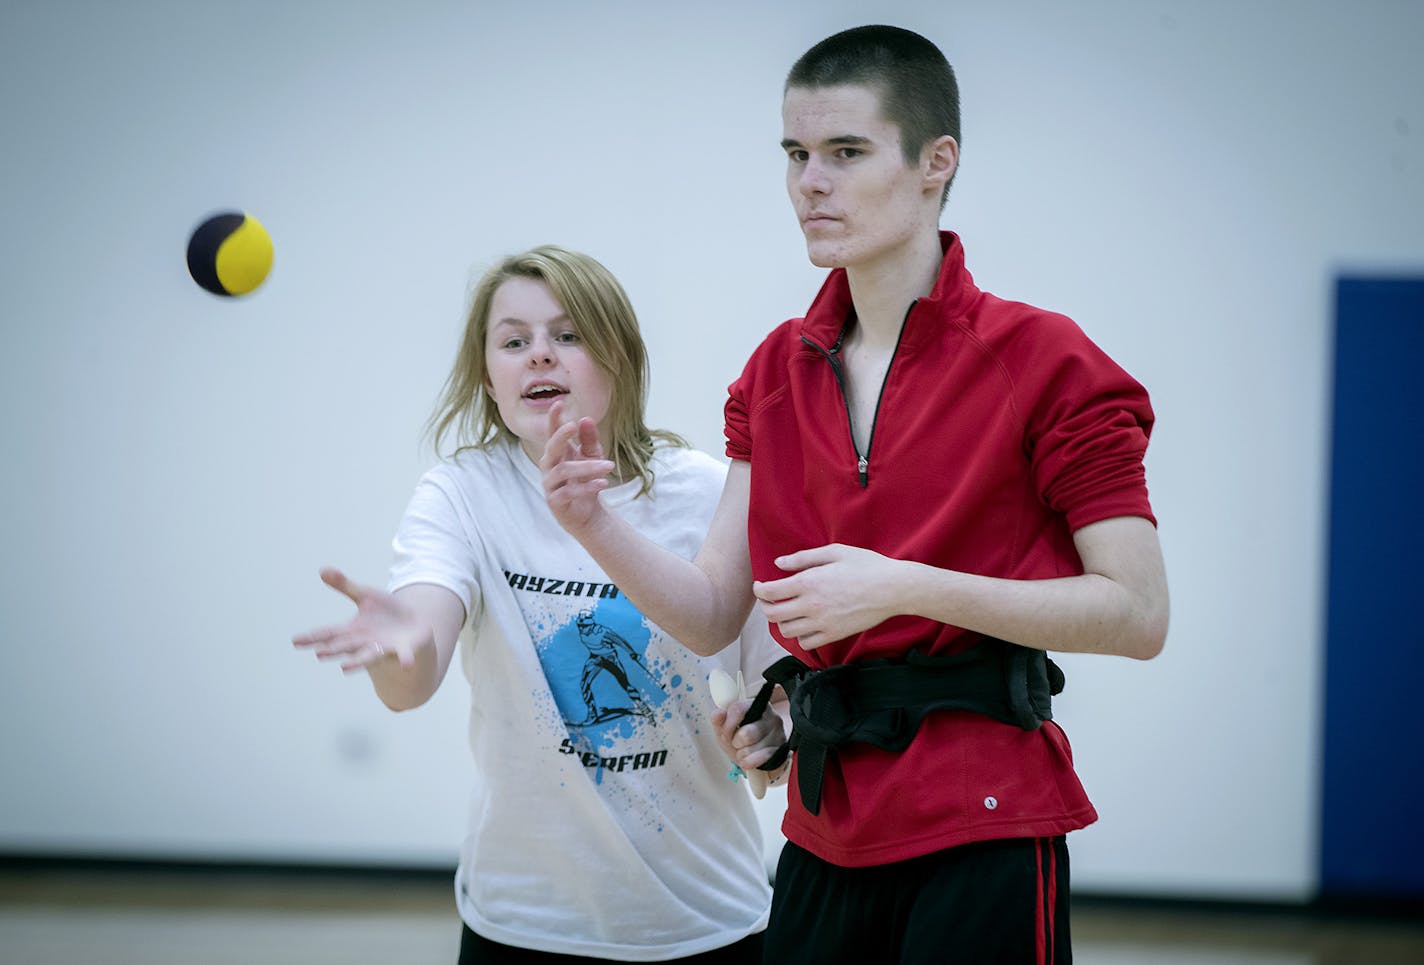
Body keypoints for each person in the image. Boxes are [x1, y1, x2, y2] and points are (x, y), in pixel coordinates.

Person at [540, 25, 1169, 964]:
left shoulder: (1048, 361)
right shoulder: (772, 371)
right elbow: (716, 610)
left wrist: (906, 584)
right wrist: (591, 522)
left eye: (844, 153)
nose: (809, 183)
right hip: (823, 823)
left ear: (934, 162)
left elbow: (1137, 613)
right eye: (795, 154)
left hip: (987, 824)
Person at [293, 245, 787, 963]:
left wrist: (772, 739)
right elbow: (413, 675)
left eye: (568, 334)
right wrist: (400, 649)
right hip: (524, 922)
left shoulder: (708, 494)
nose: (539, 357)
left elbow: (778, 703)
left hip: (708, 920)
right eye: (514, 341)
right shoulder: (463, 495)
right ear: (489, 380)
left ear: (621, 356)